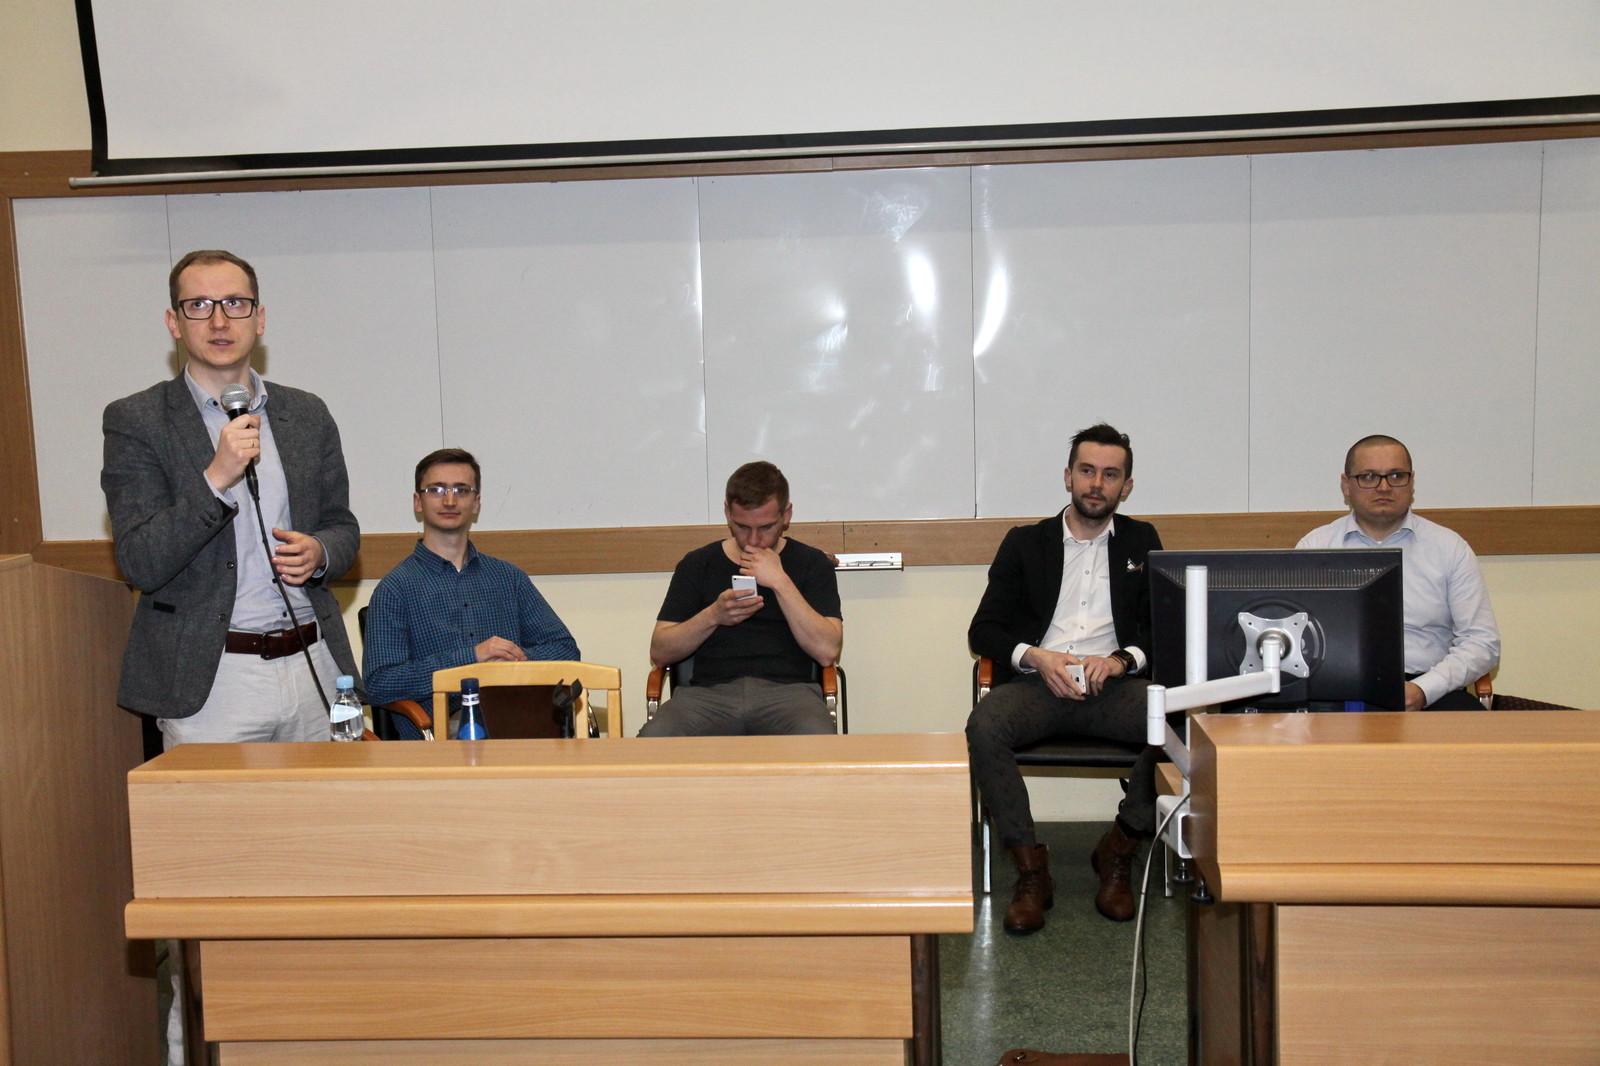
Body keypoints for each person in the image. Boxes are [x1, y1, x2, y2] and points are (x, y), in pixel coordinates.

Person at [101, 249, 360, 1066]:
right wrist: (217, 476)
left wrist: (321, 551)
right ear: (172, 322)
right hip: (215, 682)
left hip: (314, 669)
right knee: (211, 888)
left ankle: (316, 1043)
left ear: (261, 317)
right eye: (199, 305)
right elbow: (141, 559)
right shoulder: (137, 421)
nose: (219, 319)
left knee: (325, 874)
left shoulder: (307, 414)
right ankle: (197, 1051)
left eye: (235, 302)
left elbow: (345, 528)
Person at [966, 423, 1163, 934]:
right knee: (985, 725)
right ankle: (1031, 870)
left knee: (1179, 721)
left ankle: (1119, 848)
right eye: (1087, 470)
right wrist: (1038, 658)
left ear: (1126, 486)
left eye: (1110, 474)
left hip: (1113, 688)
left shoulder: (1142, 541)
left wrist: (1121, 661)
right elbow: (983, 630)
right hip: (1038, 687)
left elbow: (1162, 631)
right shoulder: (1025, 542)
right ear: (1068, 476)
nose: (1097, 484)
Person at [362, 448, 579, 723]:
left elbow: (565, 649)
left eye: (461, 490)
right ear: (418, 502)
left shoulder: (508, 577)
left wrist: (509, 660)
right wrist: (472, 659)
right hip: (444, 727)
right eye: (437, 490)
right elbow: (380, 683)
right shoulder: (395, 589)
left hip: (517, 715)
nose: (450, 500)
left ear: (476, 503)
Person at [1296, 434, 1500, 711]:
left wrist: (1425, 689)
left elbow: (1482, 643)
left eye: (1396, 476)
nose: (1384, 487)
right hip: (1336, 691)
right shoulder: (1315, 547)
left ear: (1411, 482)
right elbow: (1298, 636)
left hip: (1427, 688)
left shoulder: (1449, 548)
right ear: (1346, 485)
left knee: (1471, 729)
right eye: (1369, 477)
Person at [639, 461, 843, 736]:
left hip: (790, 694)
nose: (754, 540)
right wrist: (713, 616)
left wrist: (780, 582)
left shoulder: (812, 563)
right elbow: (660, 652)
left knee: (817, 737)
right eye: (742, 527)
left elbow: (828, 650)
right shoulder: (698, 564)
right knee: (655, 738)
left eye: (766, 527)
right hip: (706, 695)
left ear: (786, 515)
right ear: (727, 513)